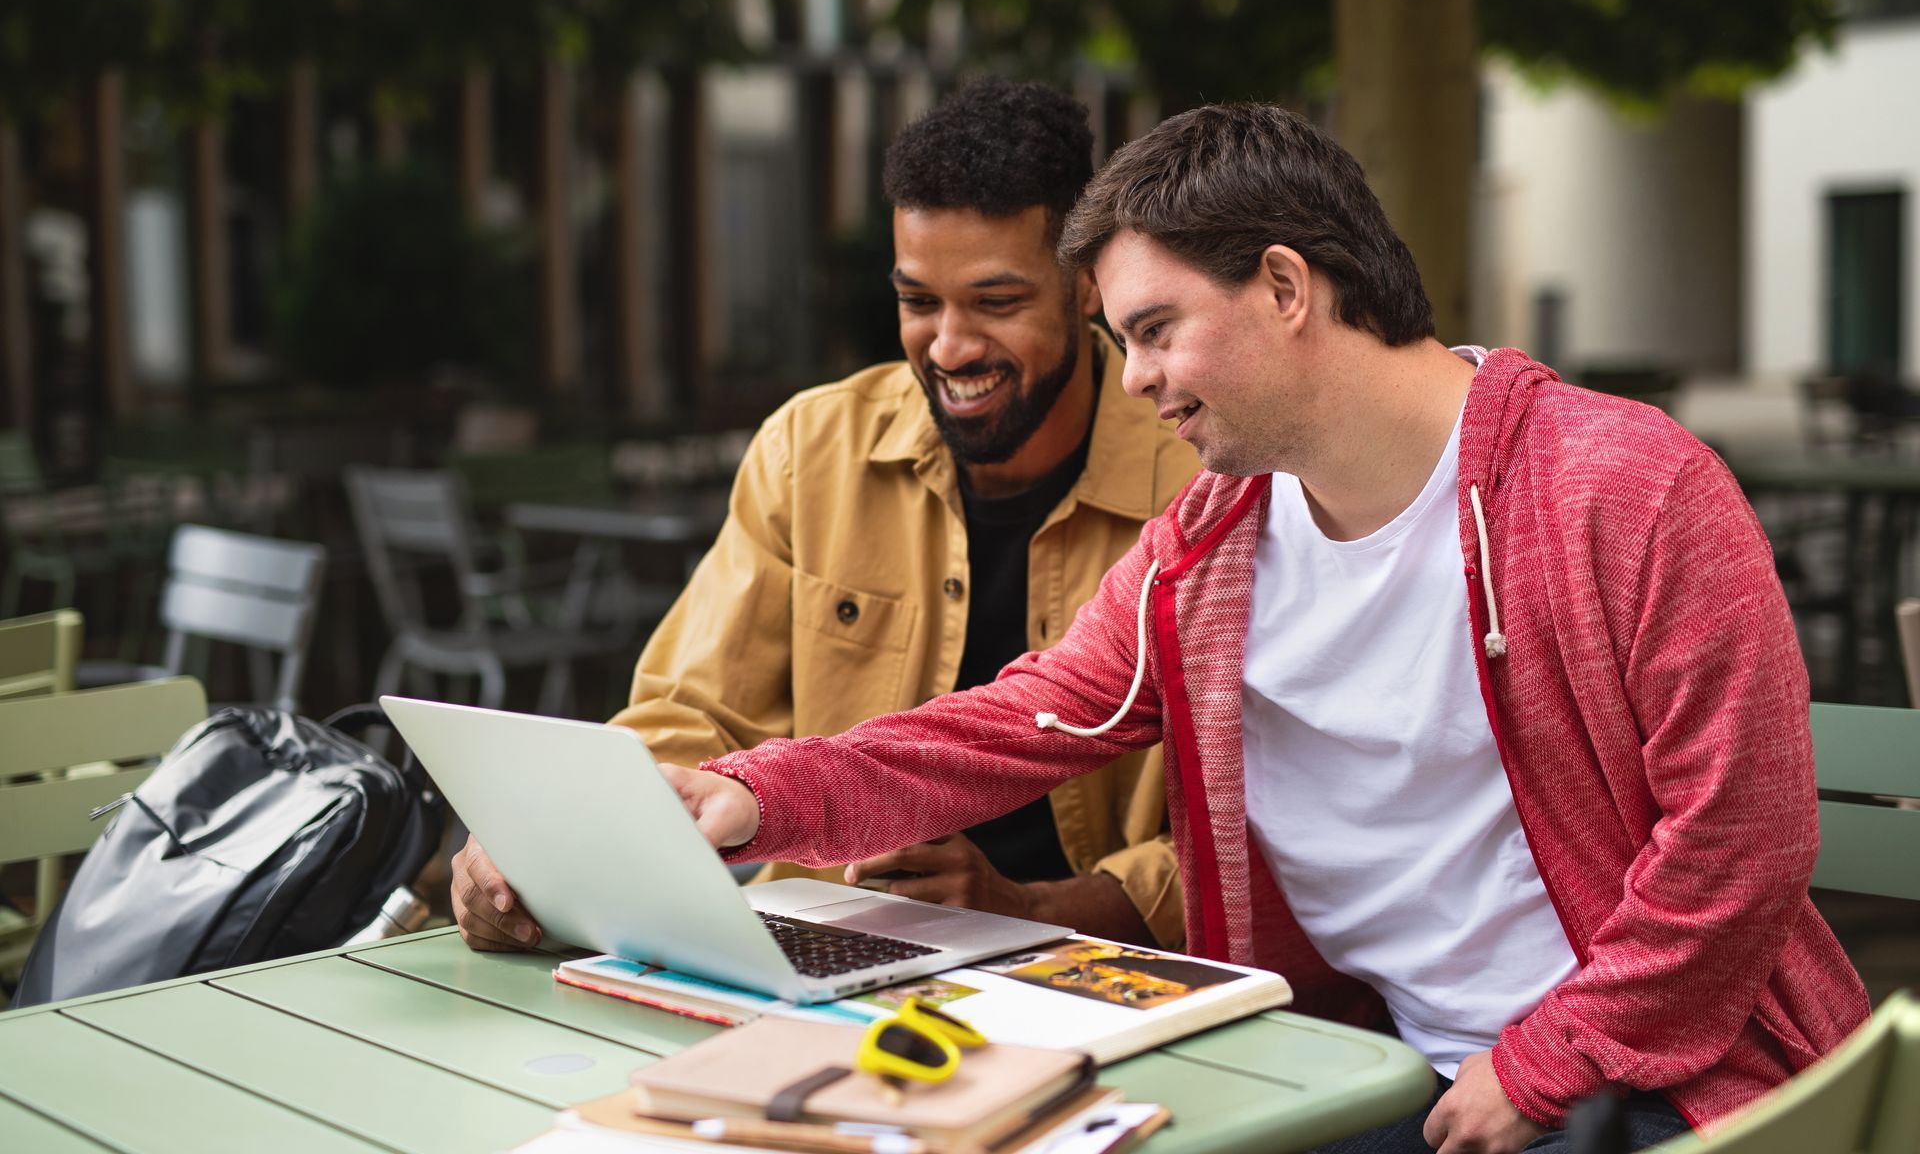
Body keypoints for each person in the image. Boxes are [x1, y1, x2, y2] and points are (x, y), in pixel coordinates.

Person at [666, 104, 1870, 1152]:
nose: (1132, 378)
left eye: (1153, 329)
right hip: (1371, 1065)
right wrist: (754, 794)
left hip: (1663, 1081)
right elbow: (1011, 721)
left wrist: (1544, 1058)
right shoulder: (1212, 544)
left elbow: (1740, 841)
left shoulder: (1626, 486)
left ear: (1287, 287)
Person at [451, 79, 1199, 954]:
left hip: (1097, 978)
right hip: (803, 956)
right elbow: (687, 714)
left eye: (996, 303)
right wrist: (553, 847)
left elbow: (1254, 833)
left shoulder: (1199, 481)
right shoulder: (812, 449)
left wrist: (1031, 911)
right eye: (918, 302)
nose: (950, 347)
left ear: (1087, 287)